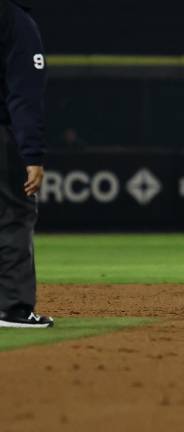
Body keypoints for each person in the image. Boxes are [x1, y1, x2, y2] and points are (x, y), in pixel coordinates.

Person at [0, 0, 53, 328]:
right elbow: (24, 93)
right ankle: (13, 309)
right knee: (14, 215)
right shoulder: (16, 20)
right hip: (4, 133)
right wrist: (31, 154)